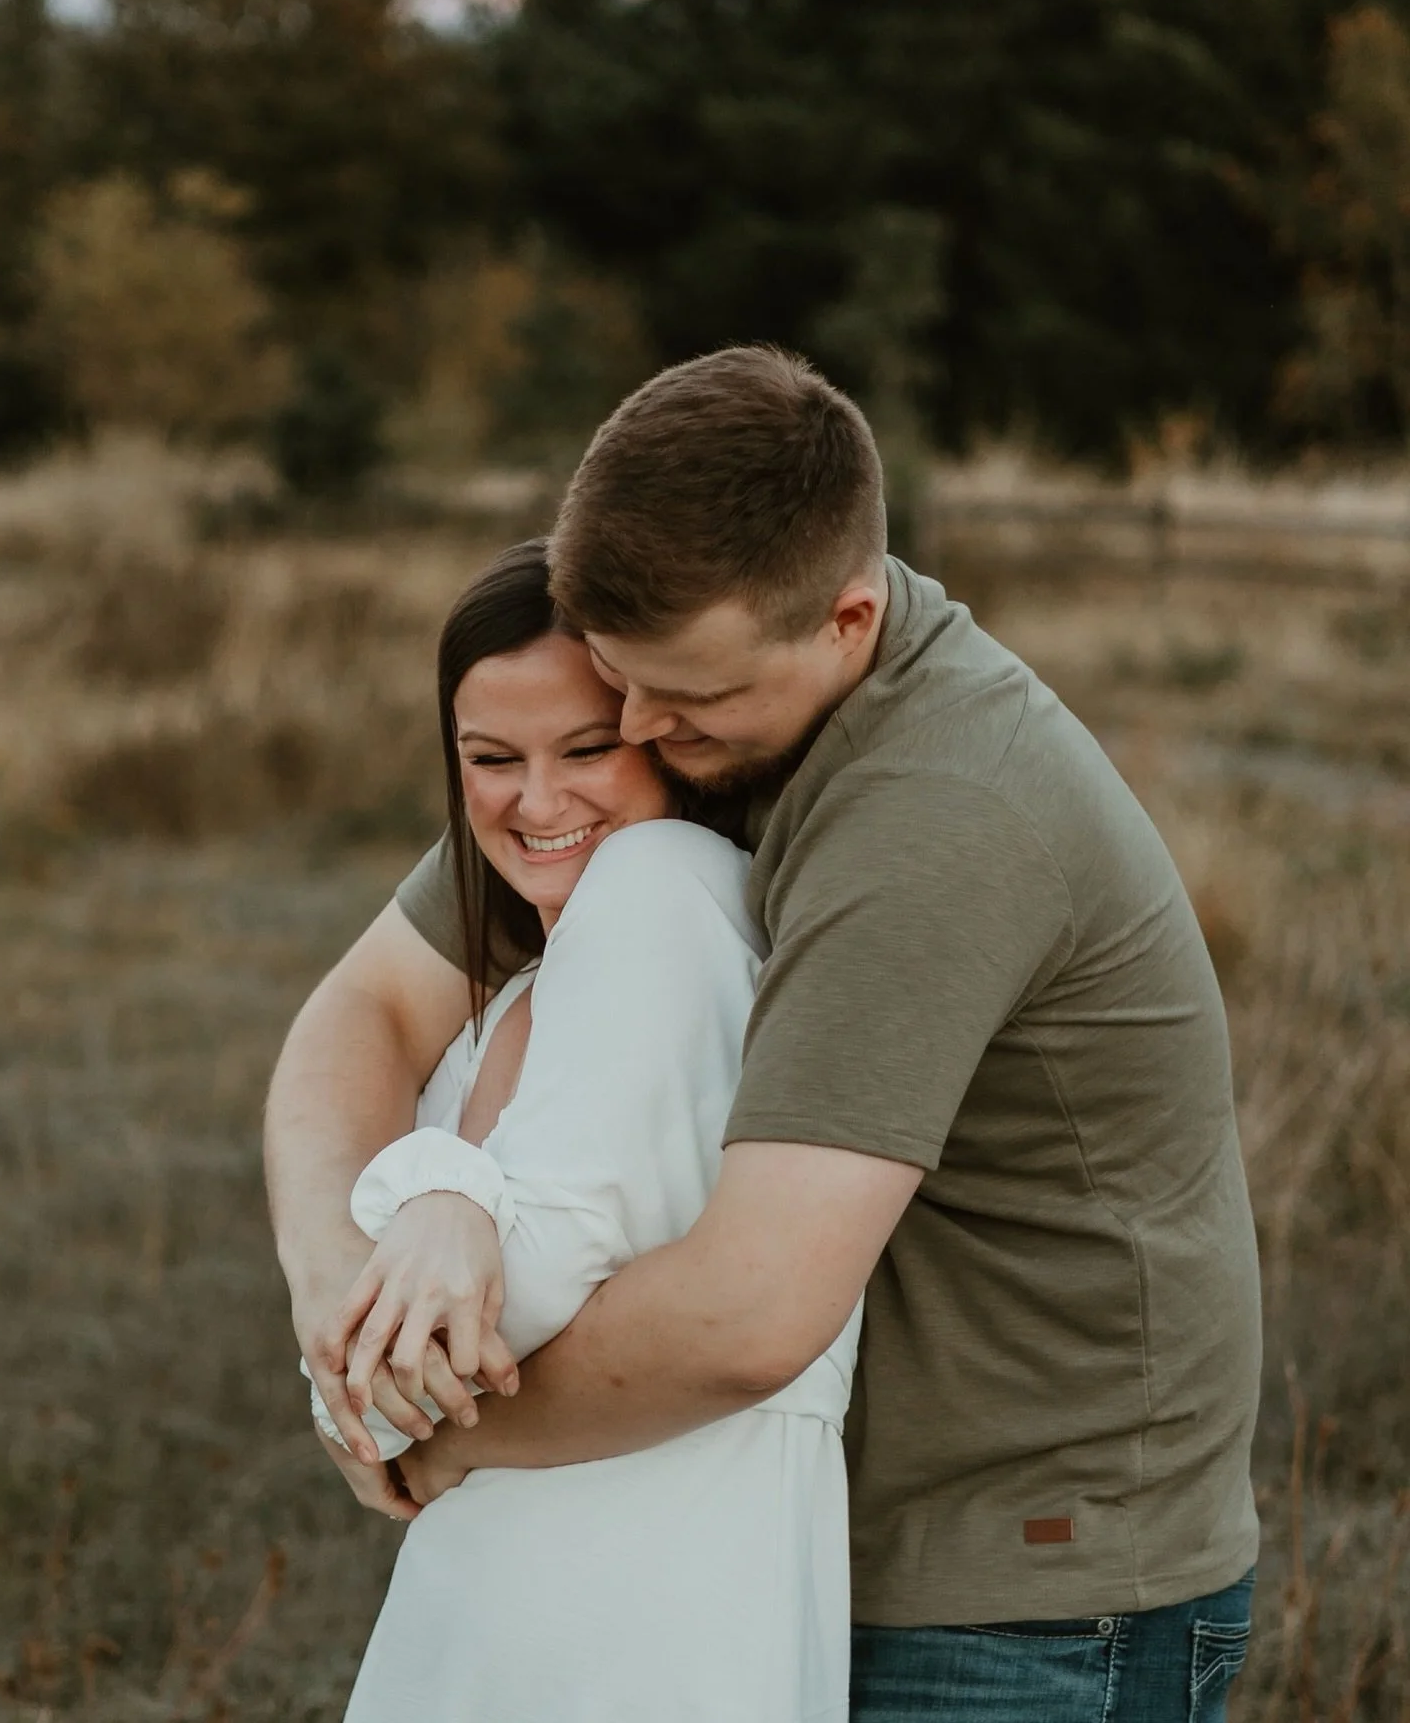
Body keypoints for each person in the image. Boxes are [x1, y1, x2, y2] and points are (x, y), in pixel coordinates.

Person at [267, 348, 1262, 1723]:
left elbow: (751, 1314)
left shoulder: (933, 820)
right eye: (622, 678)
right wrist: (337, 1286)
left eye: (686, 698)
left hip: (1031, 1585)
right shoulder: (677, 713)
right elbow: (365, 1010)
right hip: (807, 1532)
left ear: (848, 620)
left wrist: (436, 1440)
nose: (641, 729)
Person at [299, 539, 860, 1722]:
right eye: (491, 760)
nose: (536, 802)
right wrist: (431, 1211)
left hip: (635, 1583)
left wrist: (442, 1193)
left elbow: (489, 1304)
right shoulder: (525, 972)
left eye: (587, 750)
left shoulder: (662, 888)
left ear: (664, 735)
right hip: (530, 1560)